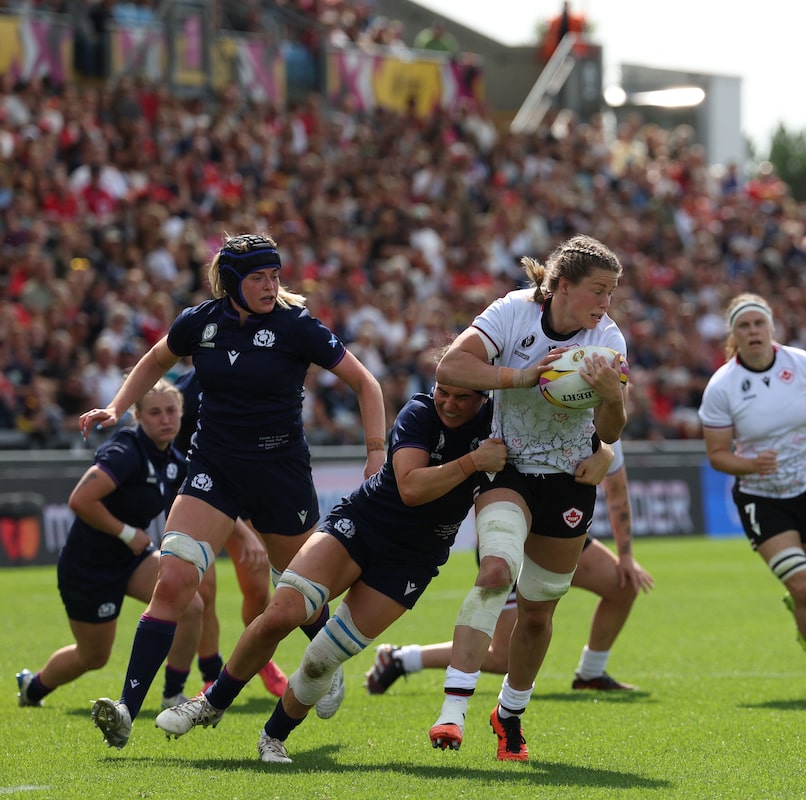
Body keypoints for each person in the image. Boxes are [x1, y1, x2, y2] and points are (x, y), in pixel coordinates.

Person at [79, 232, 386, 750]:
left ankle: (325, 662)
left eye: (275, 276)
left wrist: (375, 452)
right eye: (259, 278)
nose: (271, 286)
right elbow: (155, 360)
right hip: (214, 467)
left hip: (280, 473)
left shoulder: (296, 325)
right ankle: (127, 708)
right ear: (231, 282)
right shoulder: (200, 322)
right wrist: (116, 406)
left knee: (299, 592)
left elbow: (366, 384)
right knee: (174, 582)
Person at [154, 381, 506, 764]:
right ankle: (210, 703)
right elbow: (410, 488)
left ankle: (273, 737)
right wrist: (473, 462)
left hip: (414, 558)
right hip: (364, 523)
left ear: (484, 397)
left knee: (323, 657)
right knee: (282, 613)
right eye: (443, 392)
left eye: (461, 397)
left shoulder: (499, 424)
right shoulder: (420, 412)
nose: (448, 404)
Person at [429, 233, 627, 762]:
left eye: (611, 292)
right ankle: (453, 710)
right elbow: (451, 367)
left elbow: (611, 429)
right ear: (562, 286)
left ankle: (509, 713)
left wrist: (611, 396)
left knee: (537, 614)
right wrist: (522, 376)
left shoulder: (608, 339)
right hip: (508, 467)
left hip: (569, 481)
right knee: (495, 572)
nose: (606, 303)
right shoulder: (512, 312)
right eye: (598, 290)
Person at [365, 440, 653, 694]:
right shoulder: (521, 412)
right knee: (505, 656)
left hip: (557, 534)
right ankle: (402, 659)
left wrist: (626, 558)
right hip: (510, 536)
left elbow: (617, 492)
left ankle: (591, 674)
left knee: (622, 584)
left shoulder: (605, 434)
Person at [697, 293, 806, 700]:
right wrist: (750, 465)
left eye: (758, 323)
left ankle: (801, 609)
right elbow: (717, 455)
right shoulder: (722, 386)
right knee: (804, 586)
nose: (753, 331)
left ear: (772, 327)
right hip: (761, 498)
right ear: (733, 335)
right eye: (744, 326)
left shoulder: (802, 364)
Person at [16, 380, 204, 710]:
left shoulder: (172, 460)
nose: (165, 419)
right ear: (138, 416)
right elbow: (80, 500)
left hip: (131, 558)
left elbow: (202, 502)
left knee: (191, 605)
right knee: (93, 656)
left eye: (171, 411)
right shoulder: (125, 451)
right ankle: (33, 688)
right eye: (155, 412)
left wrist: (247, 537)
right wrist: (129, 534)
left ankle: (172, 695)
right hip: (89, 566)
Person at [174, 367, 288, 698]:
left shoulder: (255, 374)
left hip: (245, 496)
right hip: (198, 497)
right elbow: (178, 456)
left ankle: (258, 657)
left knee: (257, 589)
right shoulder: (183, 393)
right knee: (203, 592)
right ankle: (212, 674)